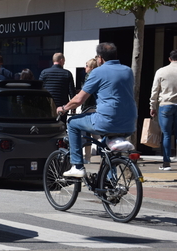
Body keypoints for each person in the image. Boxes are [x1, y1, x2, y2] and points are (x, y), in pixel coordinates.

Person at [56, 43, 137, 178]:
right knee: (107, 147)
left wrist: (64, 108)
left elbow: (79, 99)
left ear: (100, 58)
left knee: (72, 123)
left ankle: (77, 165)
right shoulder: (128, 70)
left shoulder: (98, 72)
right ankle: (110, 183)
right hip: (129, 123)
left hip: (106, 121)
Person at [149, 49, 177, 170]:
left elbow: (155, 90)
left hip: (165, 104)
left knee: (166, 135)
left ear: (169, 59)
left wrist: (152, 106)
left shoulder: (161, 71)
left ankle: (166, 163)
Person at [39, 53, 76, 120]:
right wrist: (73, 107)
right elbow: (71, 92)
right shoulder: (67, 73)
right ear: (61, 60)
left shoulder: (44, 72)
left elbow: (39, 89)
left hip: (48, 104)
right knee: (61, 125)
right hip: (62, 106)